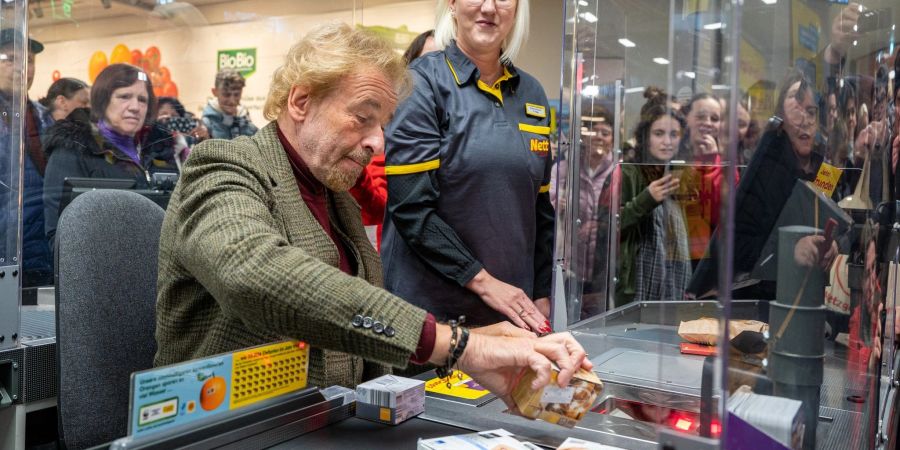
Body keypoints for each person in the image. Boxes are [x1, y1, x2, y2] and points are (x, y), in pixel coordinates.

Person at [154, 23, 590, 398]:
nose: (378, 143)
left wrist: (480, 342)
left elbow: (363, 353)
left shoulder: (336, 197)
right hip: (230, 427)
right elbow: (251, 273)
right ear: (301, 101)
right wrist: (458, 345)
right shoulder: (222, 165)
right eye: (363, 118)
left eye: (382, 125)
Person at [381, 0, 553, 333]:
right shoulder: (421, 82)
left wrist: (542, 291)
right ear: (453, 5)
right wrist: (485, 282)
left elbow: (540, 208)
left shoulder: (533, 94)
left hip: (513, 314)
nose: (489, 8)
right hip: (433, 317)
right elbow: (412, 210)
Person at [42, 63, 178, 245]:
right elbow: (58, 236)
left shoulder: (160, 150)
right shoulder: (73, 148)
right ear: (102, 101)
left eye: (142, 99)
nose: (135, 107)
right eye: (124, 97)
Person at [349, 29, 439, 252]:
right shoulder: (390, 125)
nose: (437, 72)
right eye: (427, 62)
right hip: (395, 252)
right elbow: (380, 206)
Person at [617, 89, 690, 305]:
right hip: (632, 288)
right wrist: (646, 199)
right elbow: (609, 226)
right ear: (645, 136)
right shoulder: (629, 171)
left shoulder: (678, 173)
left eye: (674, 134)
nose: (667, 141)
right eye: (659, 134)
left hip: (674, 283)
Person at [550, 105, 616, 315]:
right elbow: (548, 204)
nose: (599, 137)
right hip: (570, 262)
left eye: (605, 133)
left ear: (613, 138)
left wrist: (603, 226)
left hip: (604, 266)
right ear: (582, 137)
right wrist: (559, 203)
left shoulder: (618, 170)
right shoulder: (564, 169)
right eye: (592, 131)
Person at [0, 30, 54, 287]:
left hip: (40, 249)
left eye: (29, 60)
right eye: (10, 58)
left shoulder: (44, 117)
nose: (23, 67)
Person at [201, 69, 258, 140]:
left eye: (237, 94)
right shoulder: (206, 124)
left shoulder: (245, 118)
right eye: (226, 95)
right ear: (214, 92)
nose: (232, 101)